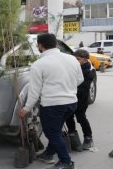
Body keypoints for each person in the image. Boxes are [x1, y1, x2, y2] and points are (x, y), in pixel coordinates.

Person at [18, 33, 83, 169]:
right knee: (56, 130)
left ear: (40, 46)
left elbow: (34, 92)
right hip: (71, 103)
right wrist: (66, 87)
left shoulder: (39, 64)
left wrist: (26, 109)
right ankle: (48, 154)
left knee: (52, 133)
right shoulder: (72, 59)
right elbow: (80, 79)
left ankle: (66, 162)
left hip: (52, 105)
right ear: (57, 44)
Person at [66, 49, 95, 152]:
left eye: (78, 59)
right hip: (70, 97)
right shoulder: (73, 66)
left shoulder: (89, 70)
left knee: (81, 117)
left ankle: (88, 137)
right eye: (74, 58)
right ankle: (73, 136)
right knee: (68, 117)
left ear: (85, 60)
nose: (75, 60)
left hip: (81, 99)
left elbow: (84, 86)